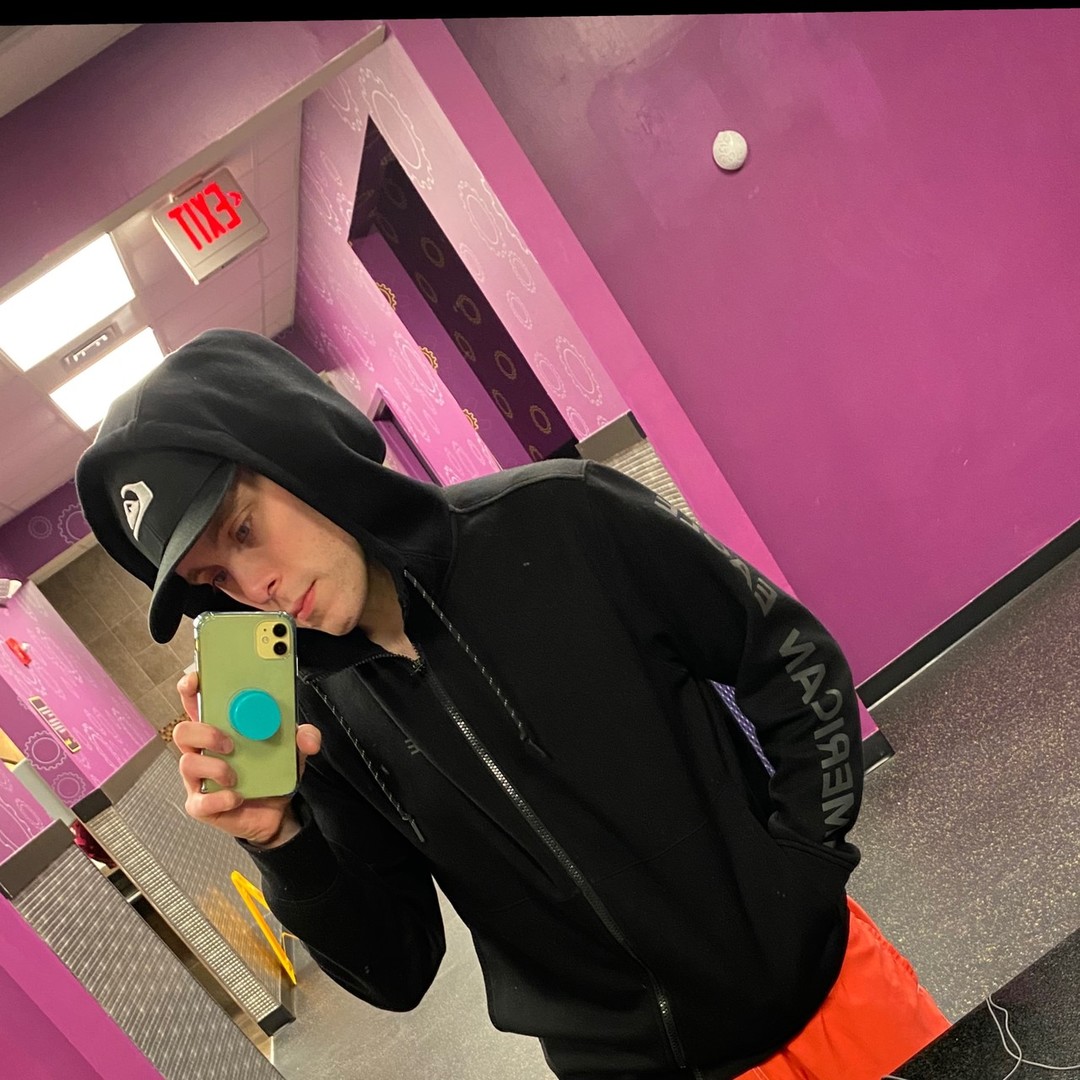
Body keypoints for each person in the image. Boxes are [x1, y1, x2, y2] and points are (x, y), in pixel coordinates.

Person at [76, 328, 948, 1080]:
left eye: (243, 528)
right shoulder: (318, 720)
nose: (254, 584)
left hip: (831, 994)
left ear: (301, 452)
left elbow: (786, 657)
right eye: (217, 578)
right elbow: (399, 970)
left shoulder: (564, 517)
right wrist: (284, 844)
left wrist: (806, 863)